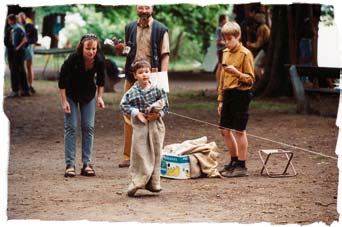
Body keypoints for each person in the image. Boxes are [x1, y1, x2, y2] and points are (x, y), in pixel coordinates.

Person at [113, 5, 170, 168]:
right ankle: (129, 155)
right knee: (129, 115)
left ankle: (153, 154)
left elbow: (165, 54)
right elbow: (126, 51)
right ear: (137, 8)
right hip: (132, 76)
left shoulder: (161, 29)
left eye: (147, 7)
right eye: (141, 7)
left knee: (154, 115)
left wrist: (162, 78)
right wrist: (119, 49)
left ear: (152, 8)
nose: (144, 10)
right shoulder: (129, 27)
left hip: (153, 77)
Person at [58, 34, 105, 177]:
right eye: (88, 48)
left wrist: (100, 97)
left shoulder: (99, 60)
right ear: (82, 47)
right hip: (71, 94)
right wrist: (64, 101)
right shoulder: (73, 59)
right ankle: (70, 164)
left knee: (88, 127)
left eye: (94, 49)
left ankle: (86, 164)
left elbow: (101, 81)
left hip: (88, 95)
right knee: (71, 127)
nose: (91, 52)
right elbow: (62, 81)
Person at [120, 58, 168, 197]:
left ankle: (154, 183)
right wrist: (137, 113)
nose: (144, 75)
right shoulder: (132, 92)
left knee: (156, 153)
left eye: (147, 72)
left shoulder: (158, 89)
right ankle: (136, 182)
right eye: (141, 72)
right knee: (140, 153)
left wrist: (158, 115)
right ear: (135, 75)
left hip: (156, 126)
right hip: (140, 126)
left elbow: (166, 105)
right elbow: (123, 105)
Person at [217, 21, 255, 177]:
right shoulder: (225, 52)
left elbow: (251, 80)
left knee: (239, 130)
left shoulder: (245, 54)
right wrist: (220, 99)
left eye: (229, 39)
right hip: (228, 95)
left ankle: (242, 164)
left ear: (238, 37)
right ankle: (233, 161)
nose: (227, 42)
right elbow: (222, 78)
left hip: (241, 94)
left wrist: (237, 73)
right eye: (224, 39)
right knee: (224, 130)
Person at [5, 14, 30, 98]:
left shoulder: (18, 28)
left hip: (18, 52)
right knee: (15, 70)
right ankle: (21, 89)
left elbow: (25, 39)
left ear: (12, 20)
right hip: (12, 51)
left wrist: (18, 47)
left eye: (9, 20)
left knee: (18, 70)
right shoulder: (10, 29)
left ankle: (18, 90)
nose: (8, 22)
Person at [18, 12, 37, 94]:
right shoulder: (16, 27)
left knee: (29, 67)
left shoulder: (30, 26)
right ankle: (21, 86)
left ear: (25, 17)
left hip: (27, 48)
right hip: (19, 50)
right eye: (20, 17)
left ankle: (30, 85)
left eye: (22, 17)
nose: (21, 19)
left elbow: (35, 38)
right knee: (20, 68)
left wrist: (28, 42)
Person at [247, 13, 270, 79]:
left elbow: (259, 44)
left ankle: (262, 79)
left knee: (255, 65)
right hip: (267, 49)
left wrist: (250, 44)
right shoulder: (265, 27)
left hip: (265, 49)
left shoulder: (262, 28)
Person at [215, 14, 228, 85]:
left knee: (222, 66)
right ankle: (219, 83)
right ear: (222, 21)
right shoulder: (219, 29)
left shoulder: (222, 29)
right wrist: (227, 43)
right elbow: (218, 41)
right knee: (220, 66)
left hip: (223, 50)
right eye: (226, 19)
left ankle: (221, 82)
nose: (227, 21)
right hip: (221, 50)